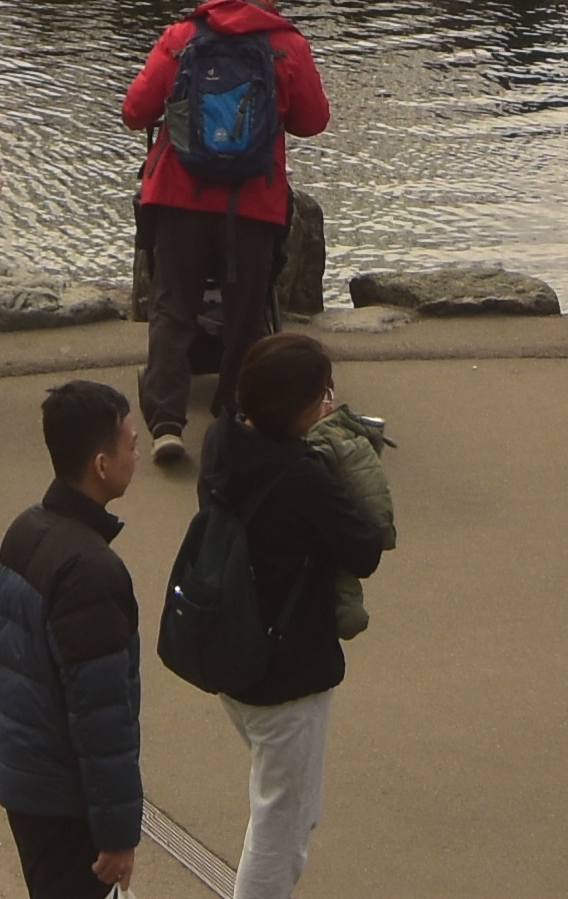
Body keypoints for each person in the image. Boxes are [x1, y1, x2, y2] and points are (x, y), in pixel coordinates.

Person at [180, 330, 388, 899]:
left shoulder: (222, 439)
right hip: (287, 670)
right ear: (294, 405)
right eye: (322, 395)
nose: (328, 404)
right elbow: (365, 548)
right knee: (281, 826)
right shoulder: (300, 476)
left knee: (287, 804)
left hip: (233, 651)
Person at [120, 0, 327, 465]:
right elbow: (313, 120)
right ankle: (235, 413)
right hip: (254, 202)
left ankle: (167, 422)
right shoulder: (287, 44)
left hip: (178, 196)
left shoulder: (183, 36)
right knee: (247, 311)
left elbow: (135, 111)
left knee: (171, 308)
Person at [0, 381, 144, 897]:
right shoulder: (91, 570)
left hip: (26, 776)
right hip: (65, 801)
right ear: (101, 464)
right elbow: (101, 717)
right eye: (130, 443)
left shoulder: (27, 530)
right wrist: (118, 835)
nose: (137, 450)